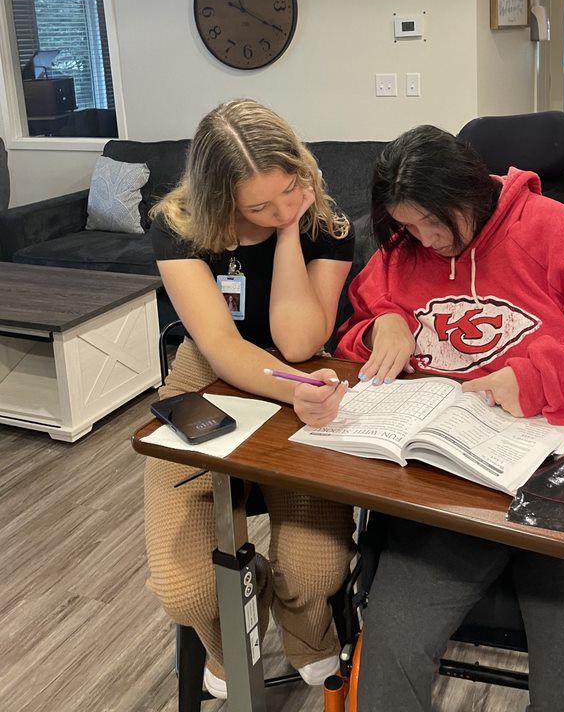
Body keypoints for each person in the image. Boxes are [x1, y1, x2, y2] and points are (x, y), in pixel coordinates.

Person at [335, 124, 564, 712]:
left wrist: (536, 379)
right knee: (387, 656)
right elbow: (364, 320)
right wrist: (382, 322)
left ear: (470, 191)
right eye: (409, 227)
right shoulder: (404, 249)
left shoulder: (547, 228)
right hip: (455, 484)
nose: (427, 240)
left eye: (435, 222)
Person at [144, 99, 356, 700]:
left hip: (303, 373)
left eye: (291, 190)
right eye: (258, 207)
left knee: (317, 571)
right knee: (185, 590)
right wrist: (297, 391)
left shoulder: (326, 226)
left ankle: (308, 630)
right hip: (208, 376)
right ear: (219, 200)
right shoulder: (180, 226)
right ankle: (235, 622)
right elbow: (222, 347)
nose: (281, 209)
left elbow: (296, 343)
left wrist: (287, 232)